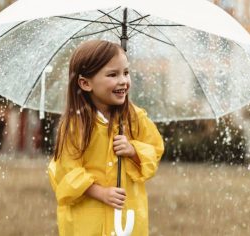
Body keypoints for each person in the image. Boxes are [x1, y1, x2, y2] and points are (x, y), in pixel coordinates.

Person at [48, 40, 164, 236]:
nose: (123, 81)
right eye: (113, 74)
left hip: (127, 217)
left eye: (126, 73)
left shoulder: (134, 118)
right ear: (85, 83)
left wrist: (133, 150)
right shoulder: (75, 125)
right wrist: (100, 192)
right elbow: (66, 172)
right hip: (87, 220)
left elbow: (155, 149)